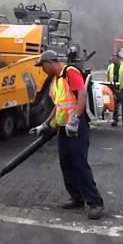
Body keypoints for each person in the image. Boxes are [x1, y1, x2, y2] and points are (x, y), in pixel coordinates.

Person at [29, 50, 105, 219]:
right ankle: (76, 197)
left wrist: (76, 118)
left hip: (77, 125)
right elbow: (59, 106)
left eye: (43, 66)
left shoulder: (70, 72)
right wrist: (45, 124)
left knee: (79, 163)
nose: (43, 70)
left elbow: (82, 94)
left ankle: (95, 203)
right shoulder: (55, 81)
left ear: (50, 62)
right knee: (66, 162)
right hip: (64, 127)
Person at [106, 52, 123, 127]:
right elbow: (108, 76)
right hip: (113, 89)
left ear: (118, 58)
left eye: (114, 57)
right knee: (115, 106)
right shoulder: (110, 66)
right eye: (112, 57)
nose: (113, 59)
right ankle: (115, 120)